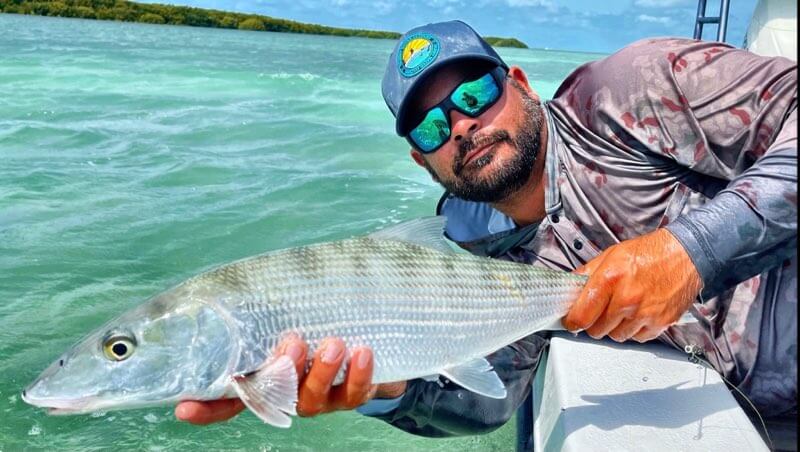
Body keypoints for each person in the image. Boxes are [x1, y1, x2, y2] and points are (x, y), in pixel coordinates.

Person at [176, 20, 797, 437]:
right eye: (429, 127)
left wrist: (691, 251)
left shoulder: (629, 94)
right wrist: (390, 384)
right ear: (422, 162)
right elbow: (493, 395)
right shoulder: (467, 249)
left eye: (473, 94)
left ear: (520, 85)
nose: (460, 126)